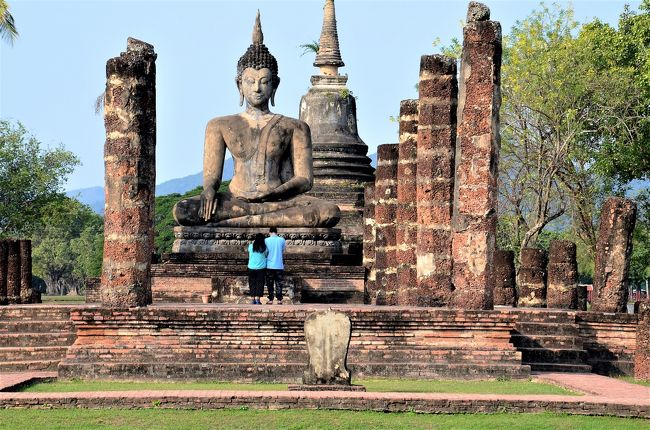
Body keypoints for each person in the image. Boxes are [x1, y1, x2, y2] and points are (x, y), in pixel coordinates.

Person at [172, 12, 339, 228]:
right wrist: (209, 192)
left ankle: (241, 222)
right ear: (239, 84)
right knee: (184, 210)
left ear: (275, 85)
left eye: (264, 81)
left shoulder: (294, 127)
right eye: (250, 81)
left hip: (279, 201)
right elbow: (212, 178)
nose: (257, 88)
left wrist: (274, 193)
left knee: (328, 212)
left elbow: (304, 180)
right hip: (235, 201)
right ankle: (257, 221)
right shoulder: (219, 125)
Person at [265, 227, 286, 304]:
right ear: (277, 232)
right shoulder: (282, 240)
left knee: (269, 283)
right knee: (279, 283)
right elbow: (283, 250)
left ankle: (270, 299)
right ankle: (279, 299)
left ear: (269, 232)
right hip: (279, 265)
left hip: (269, 265)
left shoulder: (266, 240)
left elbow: (265, 252)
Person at [247, 233, 268, 305]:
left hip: (251, 267)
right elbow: (266, 255)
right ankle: (257, 300)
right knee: (260, 283)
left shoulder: (250, 246)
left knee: (252, 283)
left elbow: (250, 254)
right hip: (261, 268)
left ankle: (252, 299)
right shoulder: (264, 247)